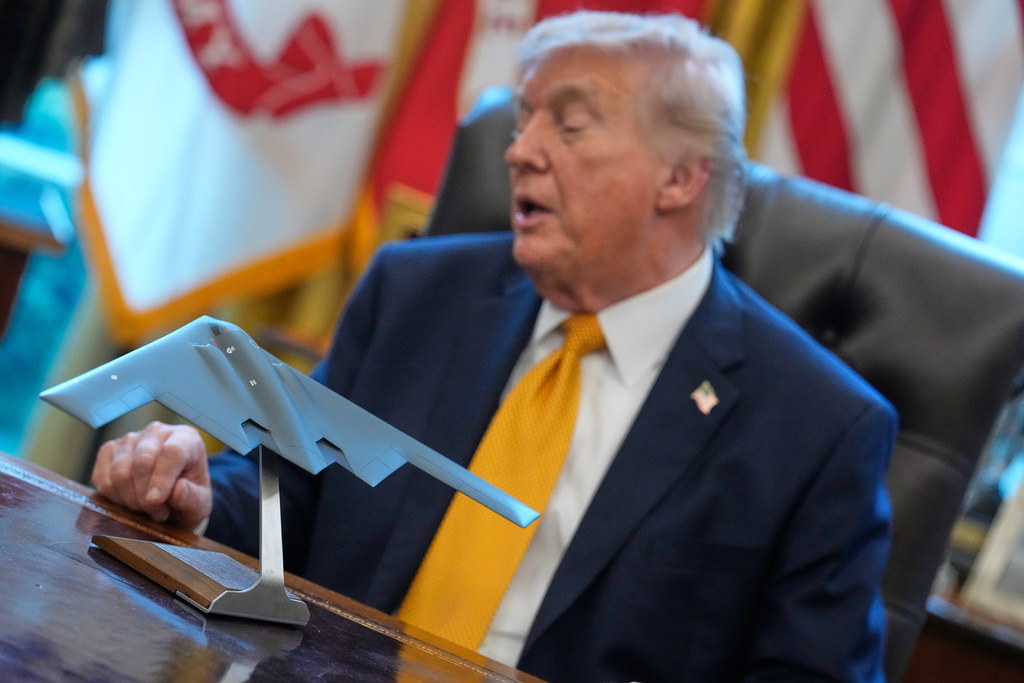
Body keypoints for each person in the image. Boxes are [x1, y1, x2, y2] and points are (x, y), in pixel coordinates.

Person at [92, 11, 895, 682]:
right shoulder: (418, 294)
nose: (520, 150)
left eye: (569, 125)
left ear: (682, 178)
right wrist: (197, 490)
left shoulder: (816, 429)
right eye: (522, 120)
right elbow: (291, 495)